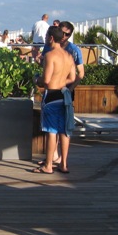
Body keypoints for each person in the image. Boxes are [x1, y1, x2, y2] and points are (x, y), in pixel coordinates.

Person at [34, 26, 76, 174]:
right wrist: (61, 82)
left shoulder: (50, 56)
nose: (45, 38)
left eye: (46, 36)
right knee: (64, 131)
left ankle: (48, 165)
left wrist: (36, 79)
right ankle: (63, 164)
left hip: (51, 95)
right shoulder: (69, 56)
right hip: (64, 95)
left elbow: (45, 80)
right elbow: (72, 78)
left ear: (51, 38)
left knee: (51, 131)